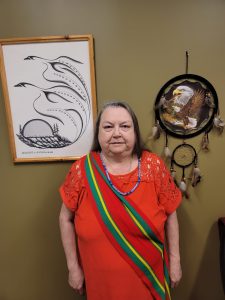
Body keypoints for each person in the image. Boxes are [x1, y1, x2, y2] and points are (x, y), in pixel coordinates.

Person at [59, 101, 182, 300]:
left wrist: (175, 262)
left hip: (148, 277)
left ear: (135, 132)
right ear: (99, 133)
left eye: (125, 126)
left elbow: (171, 214)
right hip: (100, 281)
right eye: (108, 127)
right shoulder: (82, 170)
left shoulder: (154, 166)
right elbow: (65, 219)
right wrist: (73, 268)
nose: (116, 133)